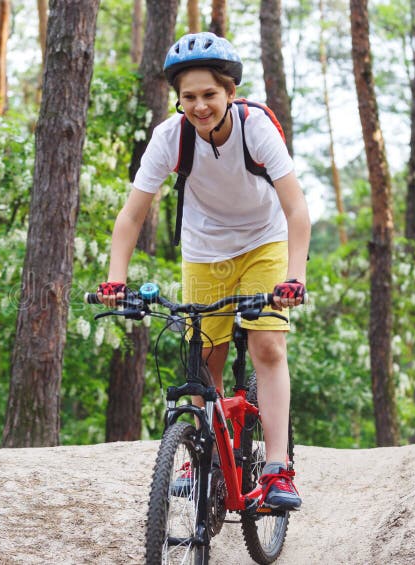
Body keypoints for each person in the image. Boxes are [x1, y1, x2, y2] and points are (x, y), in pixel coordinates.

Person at [97, 32, 310, 511]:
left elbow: (297, 210)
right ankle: (202, 458)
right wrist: (116, 279)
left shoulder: (256, 128)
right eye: (188, 97)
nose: (199, 106)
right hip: (204, 249)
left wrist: (293, 277)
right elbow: (132, 214)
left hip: (263, 242)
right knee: (204, 358)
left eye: (210, 95)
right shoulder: (170, 137)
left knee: (267, 343)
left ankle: (277, 467)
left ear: (230, 93)